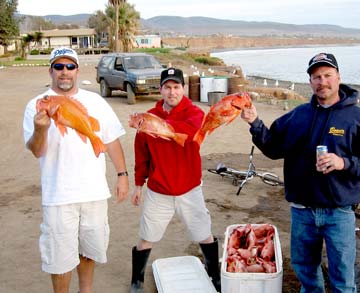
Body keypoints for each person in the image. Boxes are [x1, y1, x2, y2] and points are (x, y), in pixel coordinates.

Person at [241, 52, 360, 292]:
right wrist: (255, 123)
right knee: (306, 274)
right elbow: (273, 148)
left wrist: (343, 163)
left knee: (343, 280)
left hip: (339, 213)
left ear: (338, 77)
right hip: (302, 212)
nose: (322, 81)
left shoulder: (355, 118)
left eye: (327, 75)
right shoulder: (298, 115)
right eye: (316, 77)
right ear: (310, 82)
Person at [23, 47, 129, 293]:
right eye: (58, 67)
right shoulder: (36, 106)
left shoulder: (95, 101)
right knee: (60, 260)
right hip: (59, 197)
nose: (64, 72)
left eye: (70, 67)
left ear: (77, 71)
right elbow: (37, 150)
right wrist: (40, 129)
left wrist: (123, 175)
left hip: (94, 194)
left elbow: (111, 140)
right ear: (51, 71)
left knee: (89, 251)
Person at [130, 68, 221, 292]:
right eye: (167, 87)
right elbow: (141, 154)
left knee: (204, 234)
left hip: (189, 189)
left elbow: (191, 132)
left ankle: (215, 276)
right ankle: (136, 280)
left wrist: (159, 128)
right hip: (159, 190)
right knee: (146, 237)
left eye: (176, 87)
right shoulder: (148, 117)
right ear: (160, 89)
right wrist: (138, 184)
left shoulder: (195, 113)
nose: (172, 92)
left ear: (183, 89)